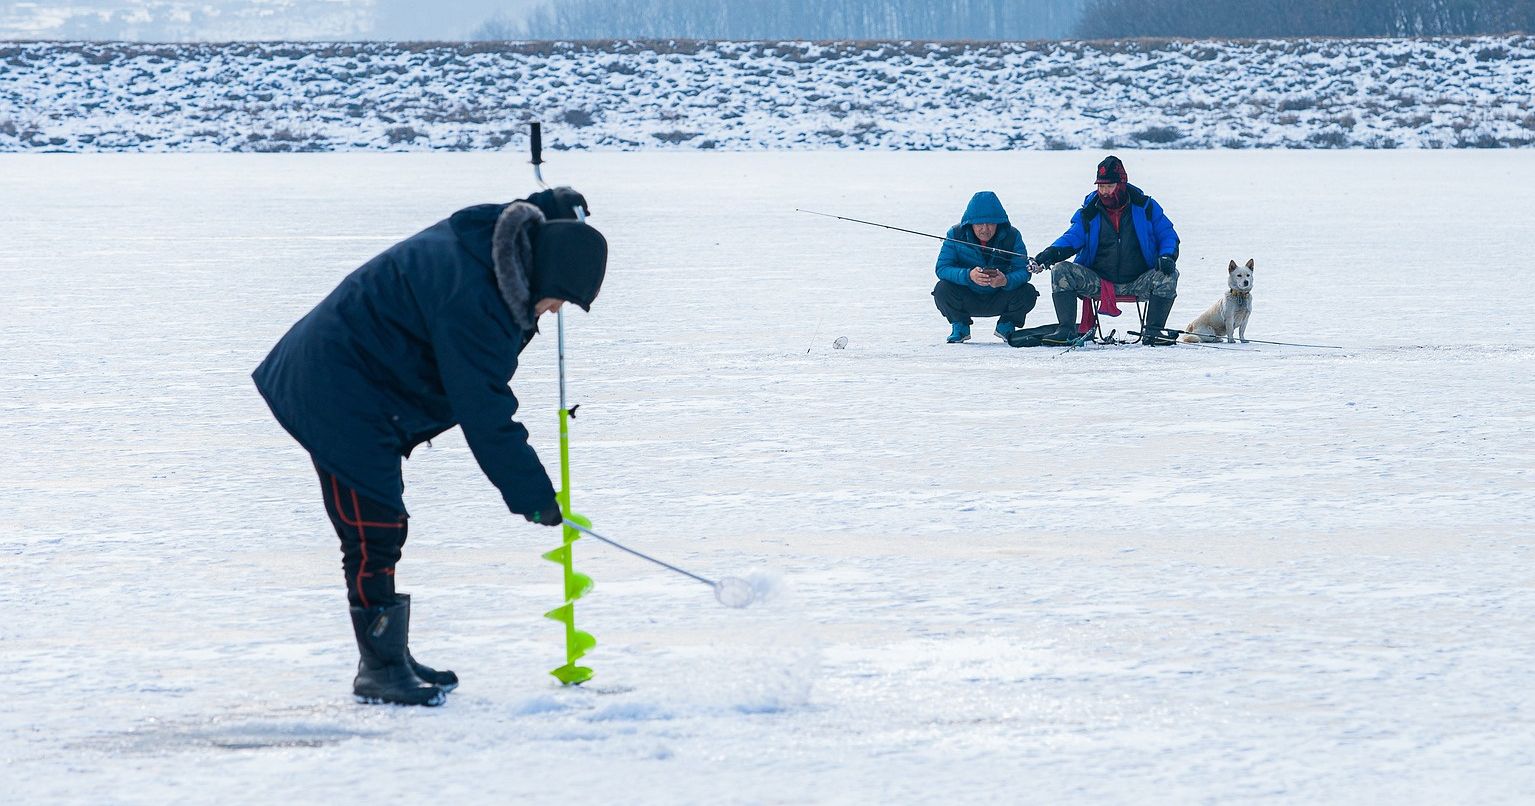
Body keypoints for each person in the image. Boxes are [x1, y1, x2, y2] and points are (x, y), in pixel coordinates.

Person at [252, 187, 607, 707]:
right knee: (374, 530)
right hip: (336, 387)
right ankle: (380, 670)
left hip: (366, 381)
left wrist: (552, 204)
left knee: (382, 527)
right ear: (547, 275)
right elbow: (483, 408)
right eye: (560, 300)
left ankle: (391, 658)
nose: (553, 313)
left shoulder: (494, 246)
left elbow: (531, 223)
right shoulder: (474, 298)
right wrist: (533, 495)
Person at [1032, 156, 1181, 345]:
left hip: (1139, 280)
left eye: (1109, 186)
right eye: (1101, 186)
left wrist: (1167, 255)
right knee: (1061, 270)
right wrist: (1050, 253)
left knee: (1169, 274)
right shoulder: (1089, 212)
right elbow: (1072, 238)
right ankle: (1066, 331)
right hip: (1099, 282)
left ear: (1121, 184)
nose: (1105, 192)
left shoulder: (1146, 207)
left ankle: (1154, 332)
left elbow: (1167, 235)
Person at [932, 191, 1039, 343]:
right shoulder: (955, 234)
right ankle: (960, 325)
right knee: (942, 289)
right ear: (970, 223)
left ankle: (1006, 324)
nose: (985, 229)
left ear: (999, 223)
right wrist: (968, 275)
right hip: (967, 294)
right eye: (979, 224)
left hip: (1000, 295)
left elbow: (1023, 271)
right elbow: (942, 268)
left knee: (1028, 292)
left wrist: (1005, 281)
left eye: (990, 223)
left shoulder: (1013, 236)